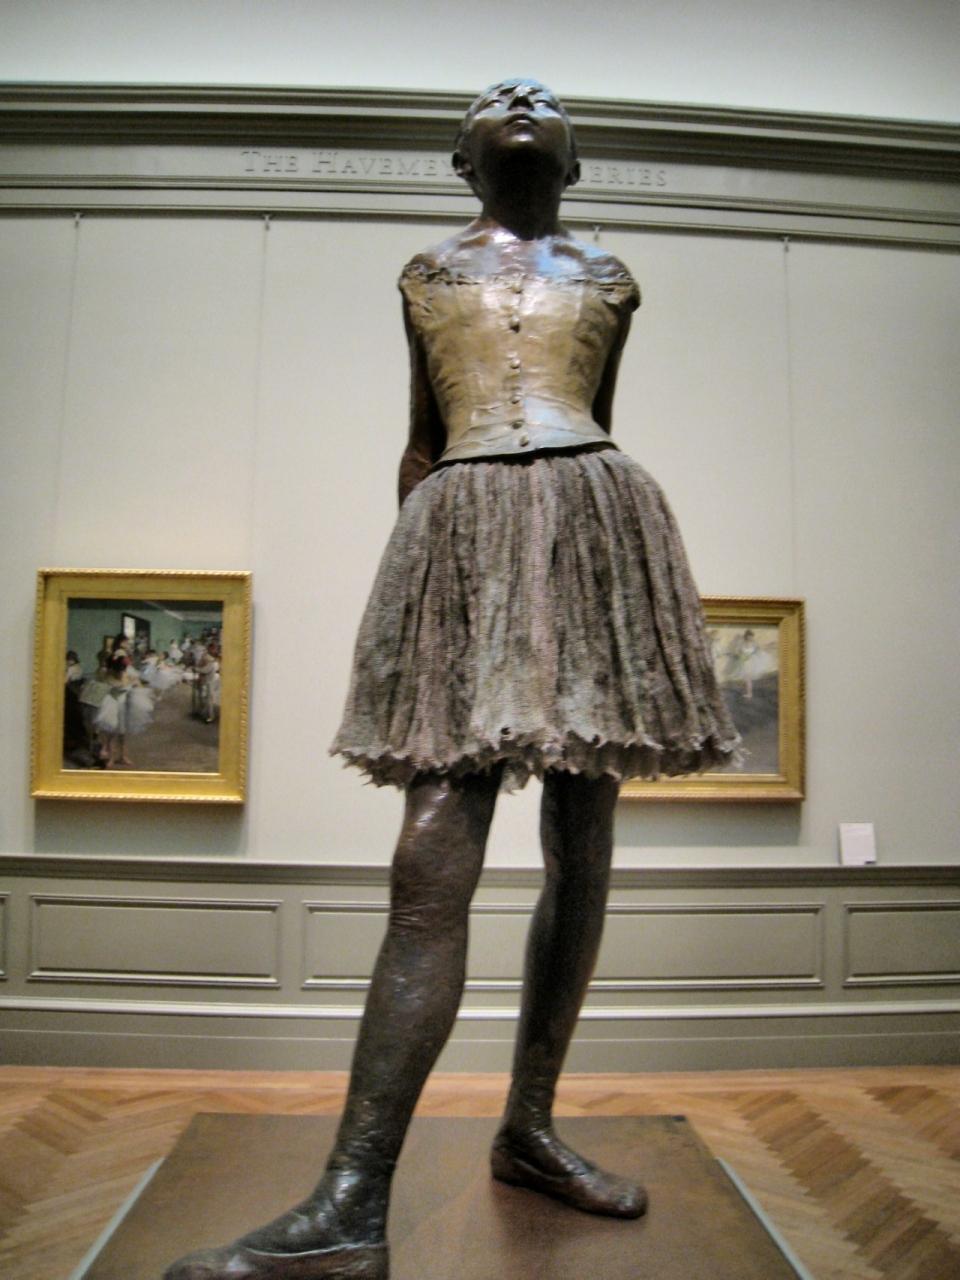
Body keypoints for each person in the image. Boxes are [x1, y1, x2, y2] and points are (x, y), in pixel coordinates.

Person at [165, 78, 738, 1280]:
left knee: (585, 837)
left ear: (574, 163)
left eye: (543, 100)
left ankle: (529, 1126)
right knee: (430, 858)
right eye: (494, 98)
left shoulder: (612, 278)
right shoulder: (427, 274)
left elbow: (595, 414)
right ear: (459, 159)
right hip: (462, 521)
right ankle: (352, 1192)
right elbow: (425, 439)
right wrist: (420, 597)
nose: (521, 97)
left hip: (593, 515)